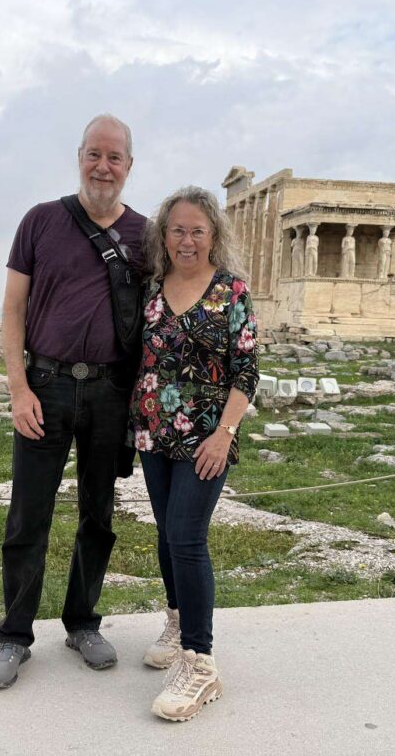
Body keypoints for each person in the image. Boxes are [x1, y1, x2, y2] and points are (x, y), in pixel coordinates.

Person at [0, 114, 147, 689]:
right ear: (79, 157)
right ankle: (14, 636)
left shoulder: (145, 235)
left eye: (114, 157)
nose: (103, 166)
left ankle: (82, 622)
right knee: (28, 515)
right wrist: (18, 388)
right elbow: (13, 309)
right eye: (94, 154)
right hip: (45, 385)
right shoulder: (40, 220)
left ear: (129, 166)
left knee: (98, 515)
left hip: (111, 391)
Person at [130, 186, 258, 721]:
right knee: (166, 533)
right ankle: (177, 620)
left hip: (207, 436)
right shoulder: (151, 289)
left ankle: (200, 663)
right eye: (178, 230)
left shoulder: (231, 291)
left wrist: (225, 433)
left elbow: (246, 371)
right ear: (164, 235)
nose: (187, 240)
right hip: (154, 432)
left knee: (186, 536)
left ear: (213, 236)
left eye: (197, 231)